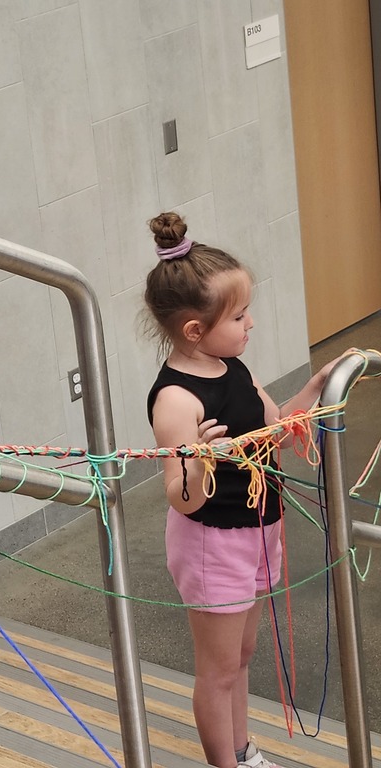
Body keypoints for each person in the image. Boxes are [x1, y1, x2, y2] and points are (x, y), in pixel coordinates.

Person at [144, 212, 344, 768]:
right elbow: (181, 496)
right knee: (219, 669)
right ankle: (225, 762)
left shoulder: (232, 365)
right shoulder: (177, 400)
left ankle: (242, 750)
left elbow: (276, 429)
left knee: (243, 654)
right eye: (239, 314)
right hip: (213, 541)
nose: (250, 323)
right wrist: (202, 460)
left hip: (259, 526)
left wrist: (314, 389)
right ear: (194, 330)